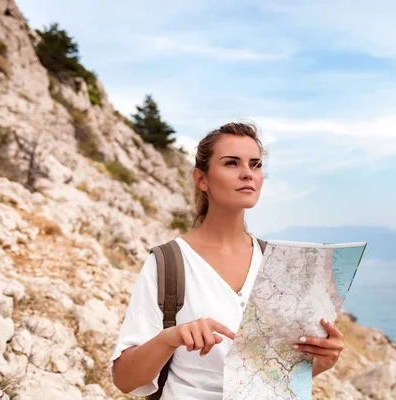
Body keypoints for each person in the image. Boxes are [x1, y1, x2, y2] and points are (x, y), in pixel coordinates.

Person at [110, 122, 345, 399]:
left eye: (256, 165)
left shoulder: (279, 263)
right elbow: (125, 380)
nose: (247, 173)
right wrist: (170, 338)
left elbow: (273, 373)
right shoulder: (168, 263)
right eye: (232, 163)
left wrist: (321, 360)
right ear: (202, 179)